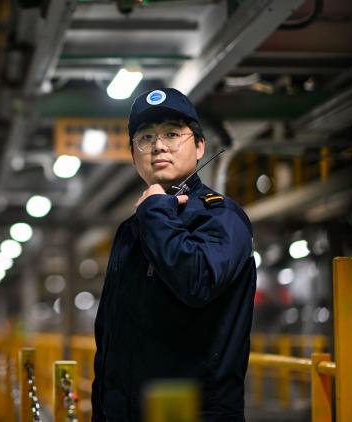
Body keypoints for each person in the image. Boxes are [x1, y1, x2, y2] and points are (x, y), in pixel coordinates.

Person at [91, 88, 256, 421]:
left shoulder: (220, 218)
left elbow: (196, 281)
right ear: (133, 153)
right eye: (145, 137)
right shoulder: (132, 229)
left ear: (199, 146)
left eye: (172, 134)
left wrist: (155, 212)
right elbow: (111, 338)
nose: (158, 146)